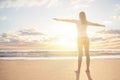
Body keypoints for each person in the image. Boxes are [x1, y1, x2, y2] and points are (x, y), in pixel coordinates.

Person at [53, 11, 105, 80]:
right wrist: (102, 25)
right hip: (86, 39)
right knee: (87, 54)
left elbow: (68, 20)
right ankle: (87, 69)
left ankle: (78, 70)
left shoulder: (77, 21)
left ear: (79, 16)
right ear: (85, 16)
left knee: (80, 54)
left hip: (79, 39)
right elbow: (95, 24)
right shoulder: (86, 22)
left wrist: (59, 19)